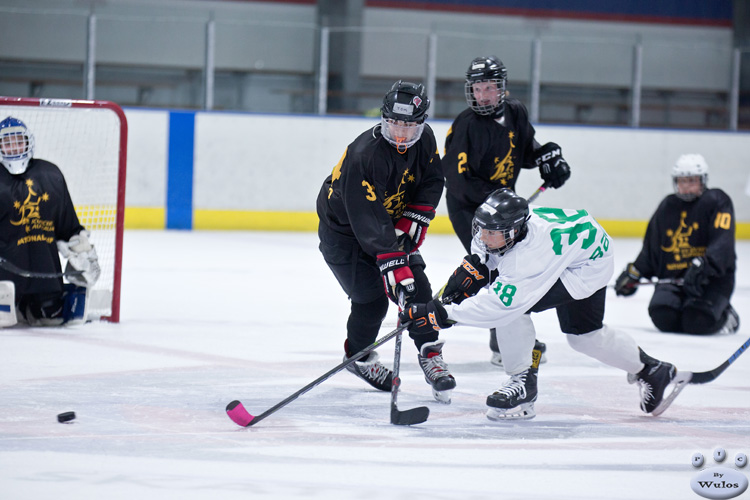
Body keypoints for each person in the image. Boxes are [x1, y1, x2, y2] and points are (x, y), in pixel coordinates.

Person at [398, 188, 689, 420]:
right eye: (482, 229)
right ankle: (652, 369)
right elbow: (481, 260)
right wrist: (455, 288)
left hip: (587, 265)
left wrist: (443, 315)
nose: (484, 237)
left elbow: (501, 306)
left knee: (516, 309)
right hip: (580, 246)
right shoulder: (496, 230)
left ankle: (523, 380)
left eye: (492, 233)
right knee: (585, 337)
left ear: (513, 231)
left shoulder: (528, 258)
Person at [316, 81, 456, 403]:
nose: (401, 134)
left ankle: (430, 353)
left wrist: (415, 217)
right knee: (373, 301)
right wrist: (394, 265)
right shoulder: (363, 154)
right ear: (384, 118)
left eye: (409, 125)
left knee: (417, 290)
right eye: (395, 123)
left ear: (421, 123)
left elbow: (434, 180)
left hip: (389, 227)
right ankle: (360, 358)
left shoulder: (425, 141)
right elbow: (367, 220)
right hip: (346, 235)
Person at [442, 55, 572, 367]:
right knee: (494, 270)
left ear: (502, 89)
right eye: (477, 89)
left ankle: (504, 339)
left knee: (508, 269)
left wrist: (547, 157)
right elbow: (457, 182)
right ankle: (503, 340)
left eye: (489, 88)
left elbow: (526, 152)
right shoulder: (466, 126)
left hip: (502, 207)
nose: (483, 95)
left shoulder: (515, 112)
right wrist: (499, 199)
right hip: (469, 210)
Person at [614, 153, 739, 335]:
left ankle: (726, 314)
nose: (685, 186)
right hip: (673, 279)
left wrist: (705, 264)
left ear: (703, 181)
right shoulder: (668, 206)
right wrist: (634, 273)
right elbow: (652, 248)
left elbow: (723, 242)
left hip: (710, 280)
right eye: (681, 181)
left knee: (697, 321)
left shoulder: (717, 201)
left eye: (691, 181)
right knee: (663, 317)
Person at [0, 116, 101, 328]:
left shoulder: (49, 175)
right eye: (7, 142)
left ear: (29, 142)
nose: (13, 147)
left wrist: (78, 243)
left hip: (44, 279)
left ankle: (35, 304)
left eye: (18, 140)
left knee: (51, 317)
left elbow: (68, 225)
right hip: (3, 279)